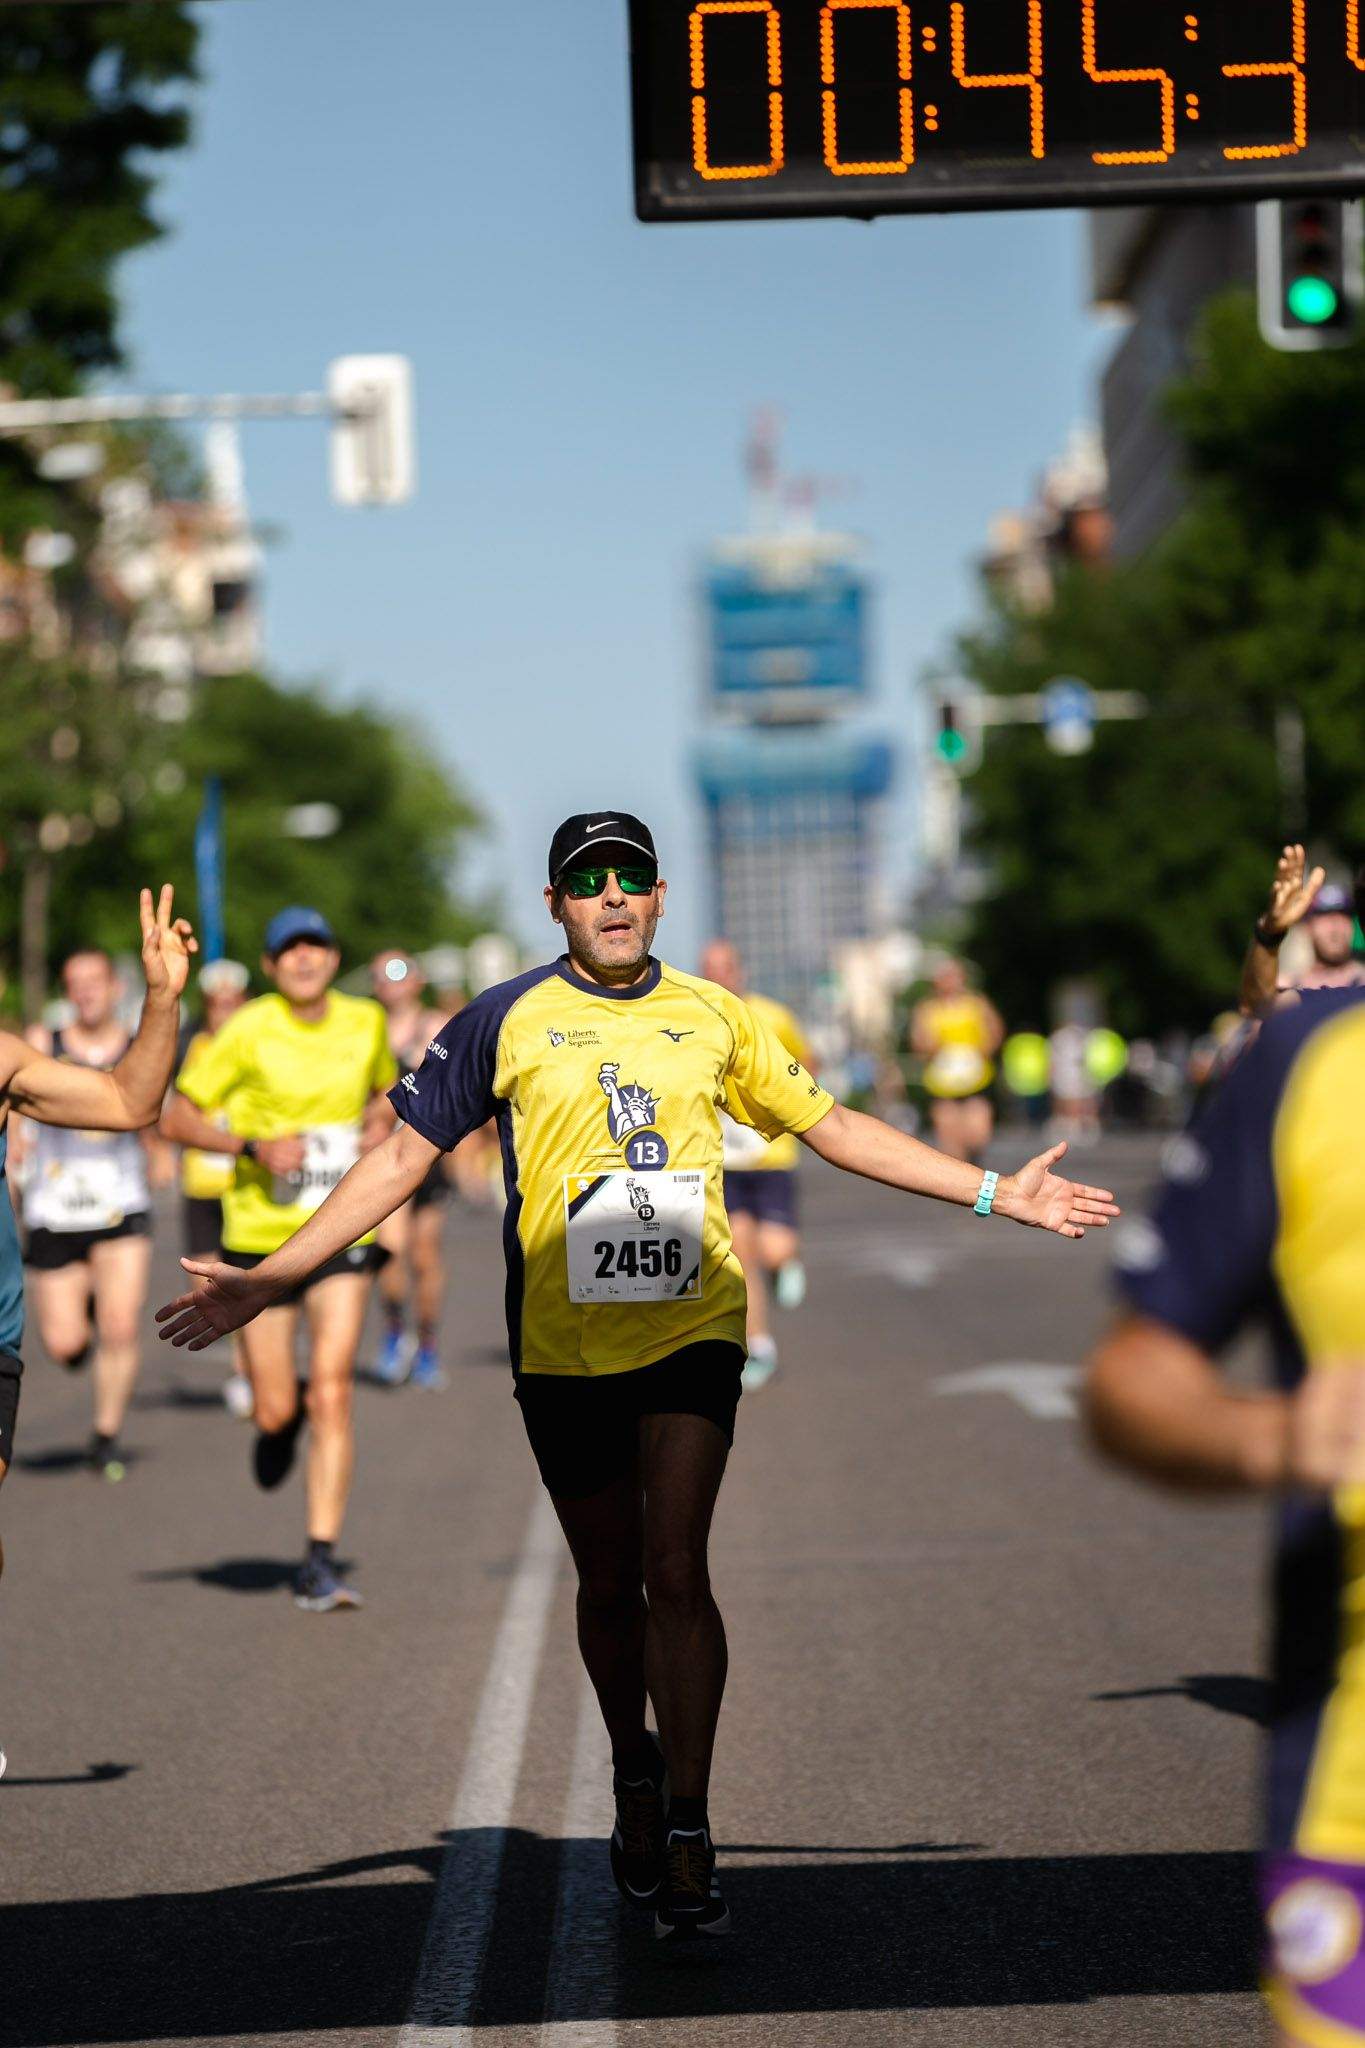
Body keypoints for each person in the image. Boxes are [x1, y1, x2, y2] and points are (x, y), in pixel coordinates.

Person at [158, 812, 1119, 1940]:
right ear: (557, 904)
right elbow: (401, 1159)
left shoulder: (715, 1016)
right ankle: (631, 1766)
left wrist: (998, 1190)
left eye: (629, 879)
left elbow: (838, 1125)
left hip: (693, 1323)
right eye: (586, 881)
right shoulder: (502, 1019)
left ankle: (693, 1828)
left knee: (678, 1563)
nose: (610, 897)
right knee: (608, 1581)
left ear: (660, 896)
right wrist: (272, 1277)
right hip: (561, 1344)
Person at [160, 907, 397, 1612]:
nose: (303, 958)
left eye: (316, 945)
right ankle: (277, 1421)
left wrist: (378, 1122)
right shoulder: (246, 1029)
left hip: (340, 1233)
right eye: (287, 948)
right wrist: (252, 1148)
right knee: (274, 1408)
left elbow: (384, 1093)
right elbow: (176, 1114)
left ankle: (319, 1558)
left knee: (332, 1389)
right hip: (259, 1243)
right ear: (269, 966)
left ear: (333, 957)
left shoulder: (366, 1022)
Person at [15, 946, 169, 1479]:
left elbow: (148, 1108)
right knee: (63, 1342)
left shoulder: (133, 1046)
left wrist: (158, 1151)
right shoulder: (43, 1043)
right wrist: (14, 1143)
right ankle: (80, 1332)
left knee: (121, 1325)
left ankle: (105, 1434)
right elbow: (14, 1098)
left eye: (94, 981)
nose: (85, 991)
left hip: (119, 1203)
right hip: (53, 1207)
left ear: (114, 987)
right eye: (74, 982)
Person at [697, 937, 812, 1394]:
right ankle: (759, 1344)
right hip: (724, 1160)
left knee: (775, 1251)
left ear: (739, 971)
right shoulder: (692, 1019)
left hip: (772, 1155)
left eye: (725, 966)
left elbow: (806, 1067)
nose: (717, 974)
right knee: (740, 1259)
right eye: (709, 966)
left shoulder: (774, 1016)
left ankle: (786, 1265)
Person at [172, 958, 253, 1418]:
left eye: (232, 1001)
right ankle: (241, 1365)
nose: (224, 1009)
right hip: (202, 1181)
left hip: (247, 1183)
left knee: (246, 1279)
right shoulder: (189, 1044)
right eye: (216, 1002)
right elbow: (168, 1103)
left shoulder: (258, 1042)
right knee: (205, 1286)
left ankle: (245, 1372)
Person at [369, 949, 452, 1389]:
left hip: (432, 1156)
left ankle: (428, 1346)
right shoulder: (367, 1030)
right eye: (382, 975)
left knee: (424, 1255)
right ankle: (395, 1332)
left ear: (417, 980)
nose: (391, 982)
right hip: (387, 1156)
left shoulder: (437, 1025)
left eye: (399, 972)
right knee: (392, 1250)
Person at [1240, 845, 1365, 1017]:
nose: (1335, 927)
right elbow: (1256, 1006)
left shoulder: (1361, 983)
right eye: (1325, 917)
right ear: (1307, 926)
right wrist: (1268, 933)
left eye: (1343, 917)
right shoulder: (1289, 984)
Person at [910, 958, 1005, 1164]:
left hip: (976, 1078)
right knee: (950, 1139)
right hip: (942, 1081)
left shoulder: (976, 1003)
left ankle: (974, 1162)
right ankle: (963, 1183)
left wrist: (983, 1049)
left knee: (978, 1135)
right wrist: (932, 1048)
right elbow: (919, 1041)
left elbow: (995, 1030)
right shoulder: (928, 1009)